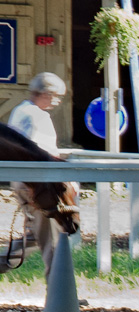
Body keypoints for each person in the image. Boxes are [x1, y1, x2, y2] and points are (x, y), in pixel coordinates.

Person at [4, 72, 67, 277]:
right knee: (52, 236)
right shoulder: (36, 115)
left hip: (23, 179)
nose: (57, 101)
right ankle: (59, 291)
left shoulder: (20, 110)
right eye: (56, 96)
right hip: (36, 181)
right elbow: (35, 150)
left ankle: (3, 262)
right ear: (45, 93)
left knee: (34, 234)